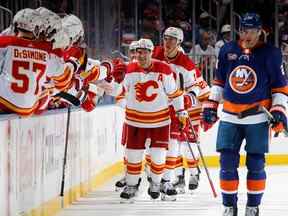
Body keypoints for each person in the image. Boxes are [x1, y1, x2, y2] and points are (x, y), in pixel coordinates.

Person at [202, 13, 288, 216]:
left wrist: (278, 111)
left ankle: (252, 207)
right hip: (230, 116)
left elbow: (280, 88)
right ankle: (229, 206)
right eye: (242, 30)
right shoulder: (227, 50)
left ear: (260, 31)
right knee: (227, 164)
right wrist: (211, 105)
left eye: (250, 30)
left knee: (256, 164)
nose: (246, 35)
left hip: (258, 118)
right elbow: (219, 81)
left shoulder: (271, 54)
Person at [111, 38, 187, 201]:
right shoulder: (130, 69)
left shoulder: (164, 69)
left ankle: (156, 183)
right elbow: (118, 93)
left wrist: (181, 111)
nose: (142, 55)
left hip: (159, 121)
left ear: (152, 53)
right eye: (139, 52)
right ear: (135, 53)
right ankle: (132, 186)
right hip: (134, 122)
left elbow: (174, 93)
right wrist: (119, 88)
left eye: (145, 52)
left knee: (159, 156)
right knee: (133, 155)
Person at [152, 27, 210, 196]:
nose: (167, 42)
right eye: (165, 38)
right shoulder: (157, 54)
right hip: (168, 107)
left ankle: (194, 172)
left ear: (178, 43)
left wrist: (191, 103)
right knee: (173, 143)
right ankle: (178, 175)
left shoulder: (187, 65)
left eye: (172, 39)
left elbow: (199, 90)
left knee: (188, 144)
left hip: (189, 106)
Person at [0, 8, 72, 116]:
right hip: (30, 108)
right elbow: (64, 78)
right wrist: (72, 64)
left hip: (4, 103)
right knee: (46, 91)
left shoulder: (5, 42)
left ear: (15, 26)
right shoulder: (46, 50)